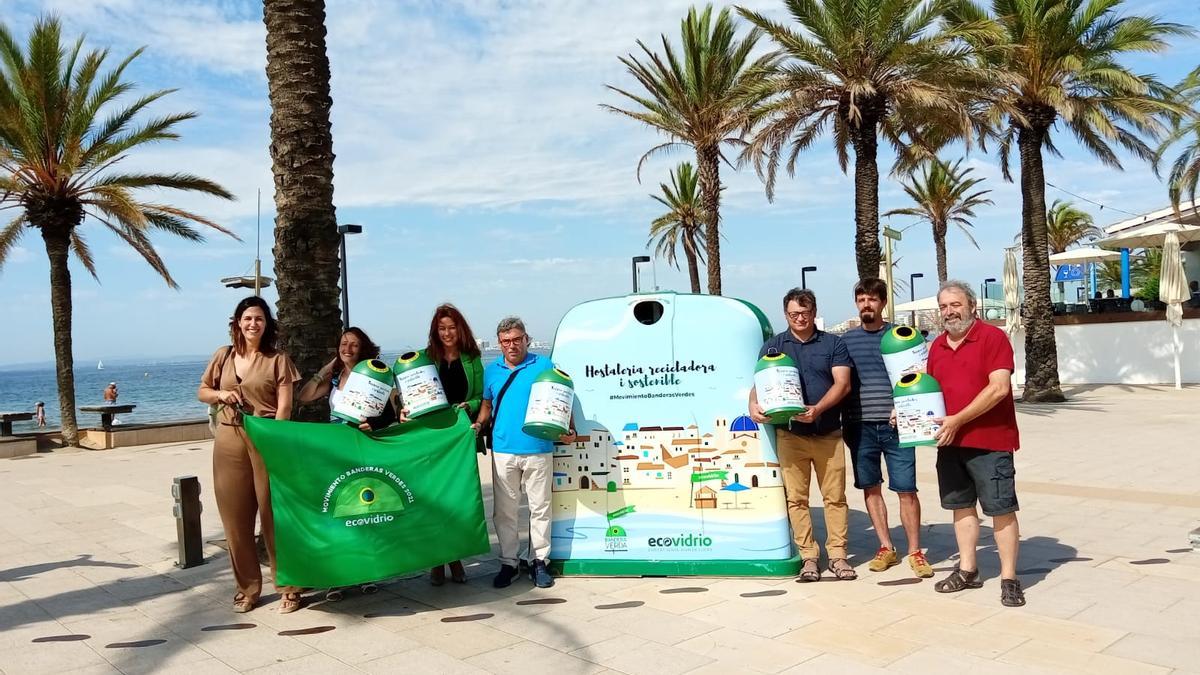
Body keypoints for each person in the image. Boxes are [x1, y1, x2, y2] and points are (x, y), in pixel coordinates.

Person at [198, 296, 303, 614]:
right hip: (229, 441)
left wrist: (277, 440)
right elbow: (202, 390)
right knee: (235, 521)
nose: (253, 324)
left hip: (266, 438)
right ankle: (247, 589)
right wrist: (220, 394)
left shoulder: (278, 359)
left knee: (275, 518)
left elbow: (285, 405)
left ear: (266, 324)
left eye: (259, 319)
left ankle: (289, 586)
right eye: (247, 319)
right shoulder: (223, 355)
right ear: (238, 323)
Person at [927, 281, 1024, 608]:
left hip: (990, 442)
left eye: (955, 304)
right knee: (961, 507)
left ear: (972, 306)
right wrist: (907, 414)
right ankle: (968, 569)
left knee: (1001, 509)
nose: (949, 312)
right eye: (943, 307)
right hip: (950, 443)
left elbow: (998, 389)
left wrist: (958, 420)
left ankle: (1009, 578)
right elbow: (930, 396)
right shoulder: (937, 347)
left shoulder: (993, 338)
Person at [748, 288, 854, 582]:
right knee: (796, 499)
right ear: (786, 314)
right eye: (794, 314)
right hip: (790, 435)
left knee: (835, 497)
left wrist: (818, 409)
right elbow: (758, 383)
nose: (800, 319)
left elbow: (842, 384)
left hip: (828, 432)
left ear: (813, 312)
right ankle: (809, 557)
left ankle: (838, 556)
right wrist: (752, 405)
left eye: (805, 313)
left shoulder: (833, 343)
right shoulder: (773, 346)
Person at [297, 326, 397, 602]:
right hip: (336, 448)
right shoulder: (333, 378)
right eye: (343, 344)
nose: (347, 349)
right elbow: (304, 396)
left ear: (363, 348)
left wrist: (373, 425)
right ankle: (338, 575)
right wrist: (327, 368)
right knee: (337, 510)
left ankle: (367, 571)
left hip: (362, 445)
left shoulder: (374, 375)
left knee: (364, 509)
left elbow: (392, 411)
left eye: (353, 344)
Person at [475, 317, 575, 589]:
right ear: (499, 343)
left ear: (526, 339)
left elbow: (562, 397)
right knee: (504, 511)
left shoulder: (543, 365)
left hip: (538, 447)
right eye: (506, 341)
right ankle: (509, 562)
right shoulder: (491, 370)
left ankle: (539, 561)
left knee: (540, 507)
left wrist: (570, 429)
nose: (512, 345)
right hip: (504, 449)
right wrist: (479, 423)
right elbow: (487, 404)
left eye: (517, 339)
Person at [840, 279, 932, 578]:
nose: (866, 304)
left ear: (882, 303)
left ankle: (916, 552)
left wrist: (906, 408)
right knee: (870, 487)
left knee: (906, 489)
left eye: (872, 299)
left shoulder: (901, 336)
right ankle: (886, 547)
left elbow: (920, 375)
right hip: (859, 426)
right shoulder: (845, 341)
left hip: (898, 425)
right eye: (861, 299)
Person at [424, 303, 485, 586]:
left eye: (451, 327)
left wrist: (468, 406)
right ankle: (438, 560)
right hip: (433, 436)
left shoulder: (472, 358)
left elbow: (482, 396)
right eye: (442, 328)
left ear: (459, 329)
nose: (447, 333)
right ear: (435, 331)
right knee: (434, 500)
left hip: (461, 436)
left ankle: (455, 556)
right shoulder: (427, 358)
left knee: (456, 499)